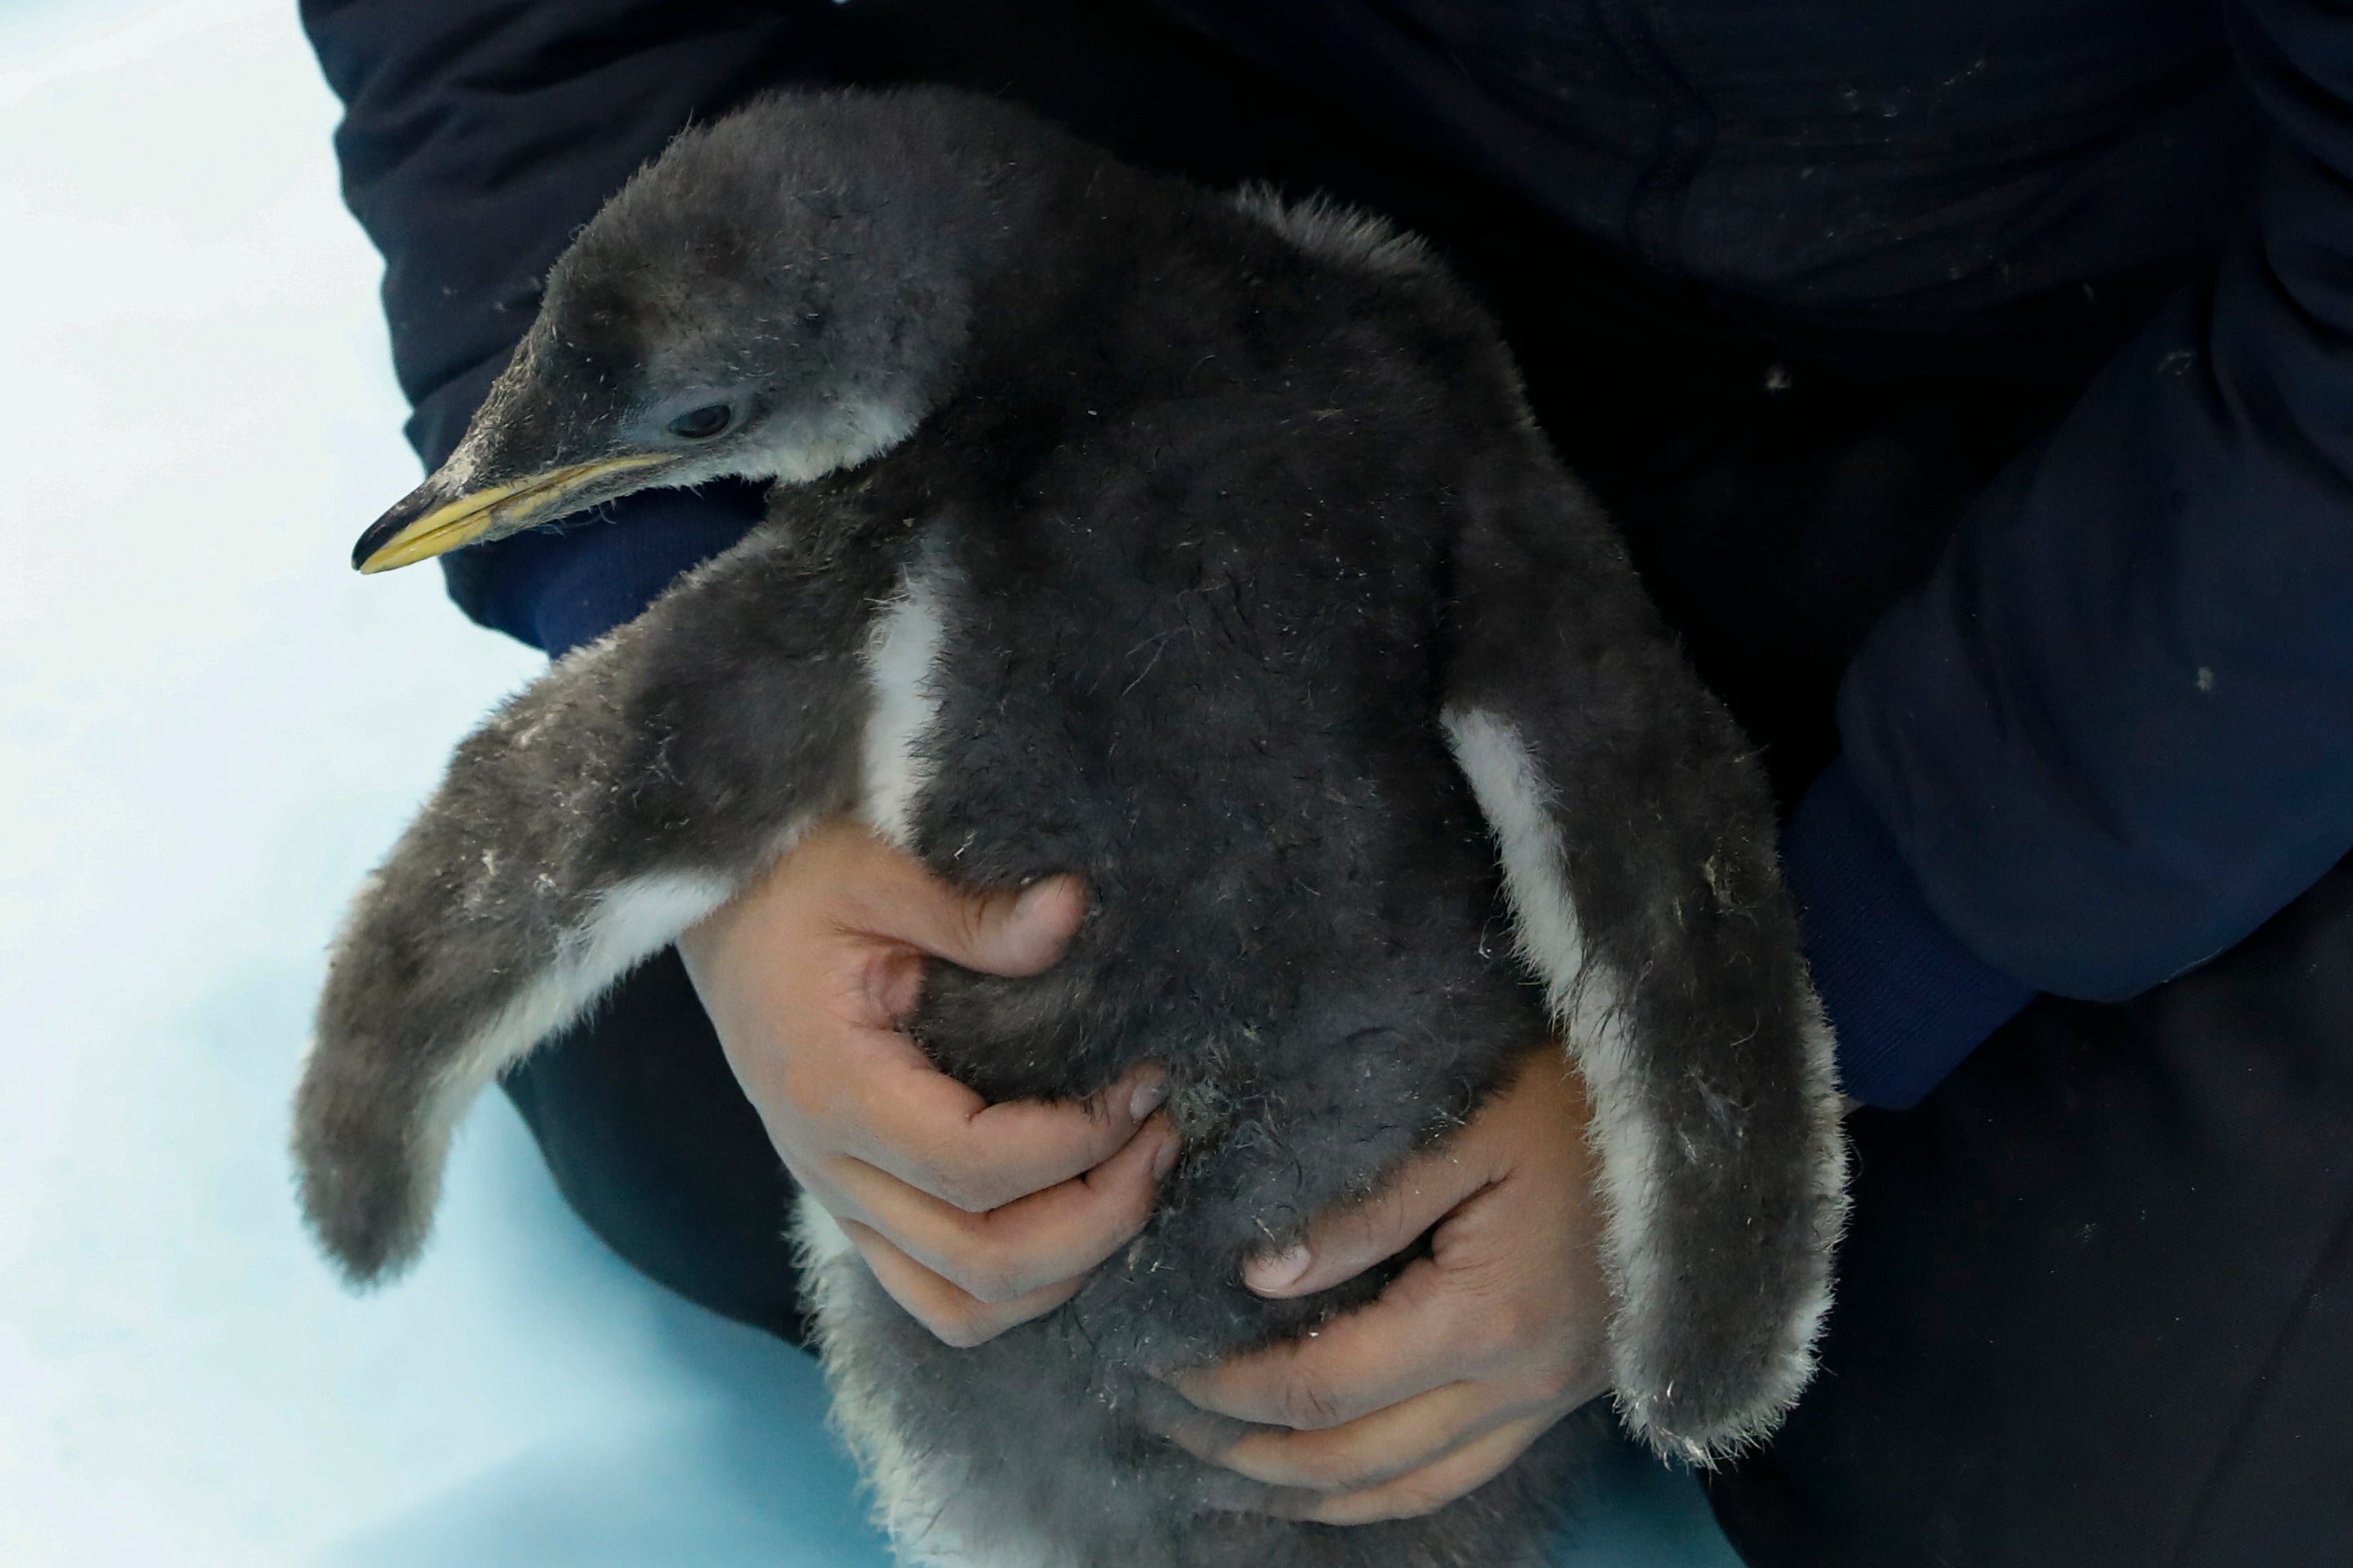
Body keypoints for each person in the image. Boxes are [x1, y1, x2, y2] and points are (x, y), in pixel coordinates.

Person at [300, 0, 2353, 1561]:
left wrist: (1782, 1028)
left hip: (2097, 442)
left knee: (2157, 1468)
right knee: (762, 1126)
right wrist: (730, 658)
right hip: (1196, 292)